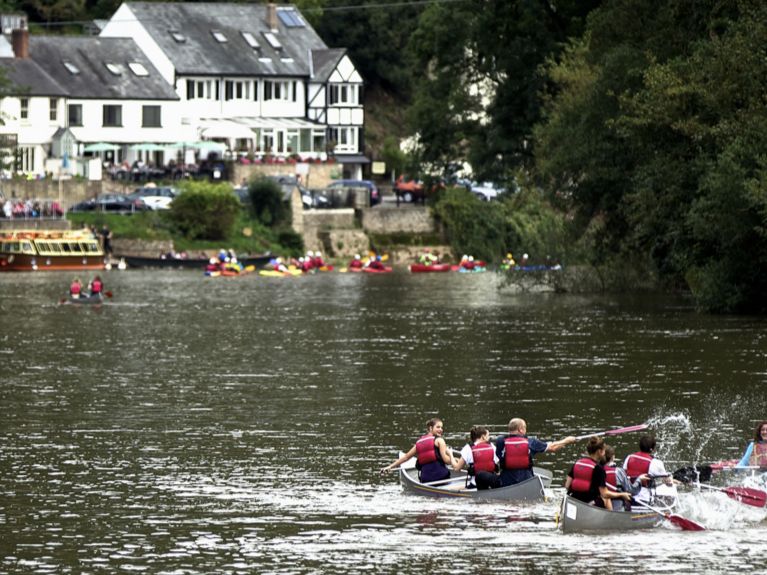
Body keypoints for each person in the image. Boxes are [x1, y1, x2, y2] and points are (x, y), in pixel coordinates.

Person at [495, 418, 576, 486]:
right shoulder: (531, 442)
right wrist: (567, 440)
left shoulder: (500, 441)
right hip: (526, 480)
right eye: (525, 427)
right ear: (521, 429)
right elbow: (553, 447)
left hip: (506, 481)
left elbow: (498, 456)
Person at [380, 418, 457, 483]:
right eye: (438, 427)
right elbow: (446, 460)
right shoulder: (440, 440)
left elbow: (406, 457)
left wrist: (389, 466)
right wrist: (452, 456)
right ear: (430, 428)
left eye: (441, 427)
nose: (441, 429)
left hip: (426, 480)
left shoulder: (419, 443)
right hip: (441, 477)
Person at [566, 437, 631, 510]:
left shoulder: (577, 463)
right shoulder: (599, 468)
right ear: (600, 451)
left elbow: (567, 485)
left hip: (573, 501)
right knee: (606, 498)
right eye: (604, 450)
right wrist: (622, 494)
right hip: (588, 504)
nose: (604, 452)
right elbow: (605, 494)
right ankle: (611, 517)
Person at [623, 435, 672, 504]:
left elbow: (624, 474)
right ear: (652, 449)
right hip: (644, 499)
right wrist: (672, 481)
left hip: (628, 496)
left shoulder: (629, 457)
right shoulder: (655, 462)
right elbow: (667, 482)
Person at [453, 425, 501, 490]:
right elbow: (496, 465)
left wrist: (450, 455)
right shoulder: (491, 446)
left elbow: (457, 469)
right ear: (483, 437)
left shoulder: (468, 448)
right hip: (491, 483)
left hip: (474, 484)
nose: (489, 438)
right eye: (488, 435)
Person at [603, 445, 642, 511]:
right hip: (617, 507)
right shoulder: (619, 472)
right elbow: (632, 491)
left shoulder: (595, 470)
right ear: (613, 457)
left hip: (600, 505)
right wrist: (639, 480)